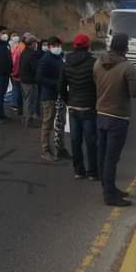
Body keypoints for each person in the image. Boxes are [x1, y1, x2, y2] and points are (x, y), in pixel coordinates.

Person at [93, 33, 136, 206]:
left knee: (103, 153)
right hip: (118, 116)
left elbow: (95, 83)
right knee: (112, 157)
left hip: (100, 114)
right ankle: (109, 195)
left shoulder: (98, 62)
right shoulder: (127, 67)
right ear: (125, 48)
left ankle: (109, 187)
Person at [59, 34, 98, 180]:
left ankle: (78, 170)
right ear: (88, 46)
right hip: (89, 107)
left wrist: (68, 100)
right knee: (91, 141)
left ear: (74, 46)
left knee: (75, 140)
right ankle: (93, 172)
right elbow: (98, 85)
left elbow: (61, 86)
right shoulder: (94, 63)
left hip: (73, 107)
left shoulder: (66, 63)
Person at [36, 37, 66, 162]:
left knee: (60, 123)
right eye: (54, 45)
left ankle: (60, 148)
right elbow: (39, 78)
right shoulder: (45, 59)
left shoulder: (60, 57)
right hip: (49, 96)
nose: (57, 47)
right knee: (48, 123)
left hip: (60, 96)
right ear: (49, 47)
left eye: (58, 45)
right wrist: (56, 84)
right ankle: (45, 150)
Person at [18, 36, 41, 127]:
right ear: (32, 44)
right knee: (30, 101)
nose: (36, 45)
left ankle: (25, 118)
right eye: (35, 43)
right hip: (30, 80)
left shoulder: (24, 52)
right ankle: (29, 121)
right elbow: (35, 67)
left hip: (24, 79)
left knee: (26, 100)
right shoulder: (32, 54)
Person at [10, 32, 27, 116]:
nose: (16, 37)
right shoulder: (14, 46)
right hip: (16, 72)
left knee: (16, 88)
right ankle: (17, 105)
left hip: (15, 71)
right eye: (13, 35)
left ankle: (15, 104)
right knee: (17, 88)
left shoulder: (19, 46)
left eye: (16, 35)